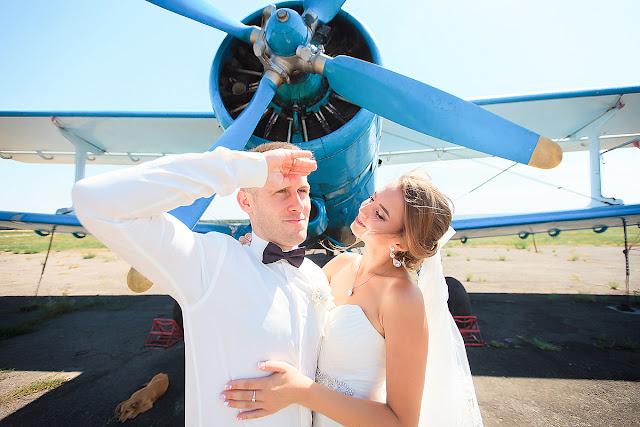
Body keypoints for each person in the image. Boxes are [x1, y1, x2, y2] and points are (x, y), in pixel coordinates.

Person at [72, 142, 331, 426]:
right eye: (281, 191)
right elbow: (93, 200)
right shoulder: (208, 262)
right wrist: (243, 168)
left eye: (303, 191)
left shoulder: (314, 275)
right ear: (246, 202)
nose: (299, 204)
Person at [221, 171, 483, 426]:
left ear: (402, 242)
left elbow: (402, 422)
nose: (364, 209)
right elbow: (289, 303)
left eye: (380, 214)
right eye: (373, 199)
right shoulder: (342, 264)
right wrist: (256, 252)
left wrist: (301, 391)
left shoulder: (402, 298)